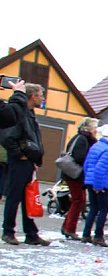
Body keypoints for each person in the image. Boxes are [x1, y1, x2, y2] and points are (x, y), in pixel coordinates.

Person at [1, 83, 50, 246]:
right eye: (41, 95)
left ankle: (31, 233)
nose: (43, 98)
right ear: (33, 96)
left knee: (27, 197)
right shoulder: (18, 113)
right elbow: (7, 137)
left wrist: (34, 160)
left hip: (28, 162)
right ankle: (8, 231)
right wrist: (19, 155)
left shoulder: (29, 113)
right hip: (19, 162)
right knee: (14, 197)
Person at [81, 125, 108, 247]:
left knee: (93, 208)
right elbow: (100, 168)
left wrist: (89, 180)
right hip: (102, 183)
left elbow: (87, 164)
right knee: (103, 210)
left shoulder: (95, 146)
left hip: (90, 181)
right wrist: (98, 185)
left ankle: (86, 234)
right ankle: (98, 236)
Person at [60, 117, 98, 241]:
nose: (96, 130)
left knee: (78, 200)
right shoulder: (82, 139)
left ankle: (67, 226)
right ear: (88, 128)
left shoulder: (81, 138)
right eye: (94, 127)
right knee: (78, 201)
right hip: (75, 175)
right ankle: (69, 229)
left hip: (73, 175)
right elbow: (80, 157)